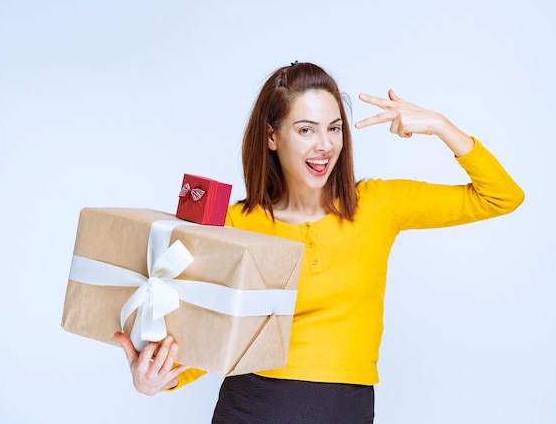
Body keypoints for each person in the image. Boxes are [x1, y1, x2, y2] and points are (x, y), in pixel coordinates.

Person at [114, 62, 524, 423]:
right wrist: (159, 381)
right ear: (272, 137)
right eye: (306, 129)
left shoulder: (379, 204)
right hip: (253, 407)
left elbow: (501, 196)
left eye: (334, 128)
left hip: (346, 409)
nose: (324, 145)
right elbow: (214, 332)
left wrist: (440, 126)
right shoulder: (234, 223)